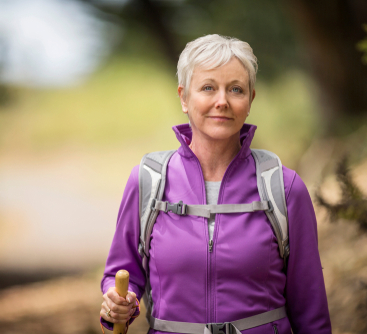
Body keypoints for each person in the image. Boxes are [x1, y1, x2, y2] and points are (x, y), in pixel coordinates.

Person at [99, 34, 332, 334]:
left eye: (236, 89)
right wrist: (117, 305)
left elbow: (311, 311)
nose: (222, 101)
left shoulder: (284, 188)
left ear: (250, 100)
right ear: (184, 97)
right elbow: (122, 277)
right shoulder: (148, 181)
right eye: (208, 87)